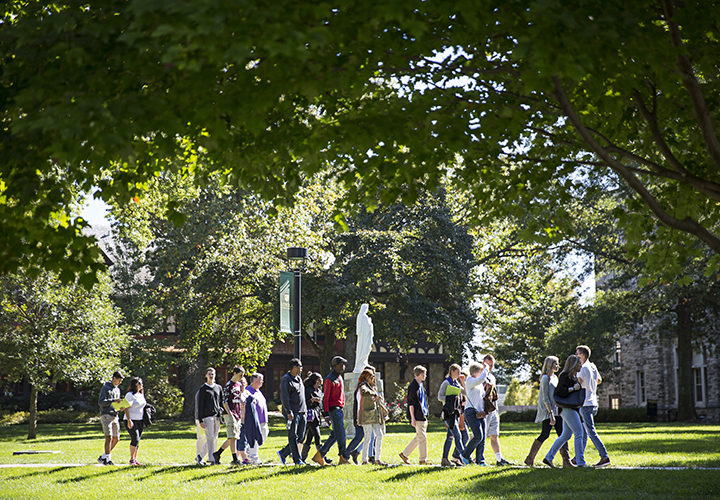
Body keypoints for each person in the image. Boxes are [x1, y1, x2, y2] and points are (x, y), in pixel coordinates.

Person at [524, 356, 571, 467]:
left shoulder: (555, 377)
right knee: (545, 434)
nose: (558, 366)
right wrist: (550, 414)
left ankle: (566, 460)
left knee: (562, 434)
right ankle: (530, 458)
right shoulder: (545, 378)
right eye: (555, 364)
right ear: (549, 365)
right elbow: (545, 397)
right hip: (548, 411)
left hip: (557, 411)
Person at [542, 354, 586, 468]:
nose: (581, 365)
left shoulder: (573, 377)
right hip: (567, 408)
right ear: (573, 364)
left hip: (572, 409)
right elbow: (559, 392)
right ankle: (581, 462)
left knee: (565, 436)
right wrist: (572, 389)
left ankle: (548, 457)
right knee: (579, 433)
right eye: (579, 363)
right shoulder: (565, 376)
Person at [576, 345, 612, 468]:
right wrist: (591, 386)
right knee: (585, 432)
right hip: (593, 403)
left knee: (590, 432)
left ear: (582, 355)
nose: (576, 356)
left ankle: (604, 456)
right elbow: (599, 380)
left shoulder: (582, 368)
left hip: (585, 404)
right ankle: (577, 457)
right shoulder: (592, 366)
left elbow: (578, 384)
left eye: (577, 354)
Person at [315, 356, 350, 465]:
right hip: (333, 410)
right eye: (341, 364)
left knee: (336, 434)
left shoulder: (339, 378)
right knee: (342, 434)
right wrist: (326, 414)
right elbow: (326, 398)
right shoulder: (329, 379)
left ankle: (320, 455)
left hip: (339, 409)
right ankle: (343, 457)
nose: (343, 366)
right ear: (335, 365)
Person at [214, 366, 248, 465]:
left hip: (237, 413)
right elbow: (224, 401)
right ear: (234, 373)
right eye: (240, 375)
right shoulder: (229, 385)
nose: (241, 377)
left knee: (234, 436)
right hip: (230, 413)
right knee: (233, 436)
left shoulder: (238, 384)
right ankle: (235, 459)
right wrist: (229, 413)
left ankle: (218, 453)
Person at [398, 365, 432, 465]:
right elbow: (411, 404)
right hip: (417, 416)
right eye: (424, 374)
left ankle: (404, 454)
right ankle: (423, 459)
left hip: (423, 415)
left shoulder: (420, 385)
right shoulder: (413, 386)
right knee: (423, 438)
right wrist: (413, 418)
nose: (425, 376)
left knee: (419, 437)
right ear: (421, 374)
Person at [482, 354, 512, 466]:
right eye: (487, 364)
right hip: (484, 410)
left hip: (493, 410)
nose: (489, 367)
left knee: (494, 435)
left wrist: (497, 412)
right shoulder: (480, 377)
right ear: (483, 364)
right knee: (479, 436)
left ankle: (499, 459)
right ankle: (468, 456)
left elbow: (494, 395)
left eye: (491, 365)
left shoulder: (493, 377)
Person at [278, 358, 308, 465]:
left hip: (302, 411)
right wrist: (288, 411)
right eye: (300, 366)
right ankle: (297, 459)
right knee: (293, 436)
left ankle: (283, 453)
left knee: (301, 436)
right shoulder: (286, 379)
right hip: (292, 412)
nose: (302, 368)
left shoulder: (299, 379)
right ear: (294, 367)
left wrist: (305, 410)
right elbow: (284, 397)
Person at [460, 360, 490, 466]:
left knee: (482, 438)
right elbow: (482, 377)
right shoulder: (470, 381)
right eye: (480, 371)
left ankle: (480, 461)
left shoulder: (479, 384)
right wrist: (486, 367)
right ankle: (464, 455)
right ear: (476, 372)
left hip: (480, 412)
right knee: (478, 436)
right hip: (471, 412)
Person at [357, 368, 387, 465]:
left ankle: (377, 459)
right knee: (368, 437)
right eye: (370, 376)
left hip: (374, 415)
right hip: (366, 415)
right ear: (365, 377)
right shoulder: (363, 385)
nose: (372, 377)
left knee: (379, 435)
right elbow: (364, 392)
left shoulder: (372, 386)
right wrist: (374, 394)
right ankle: (364, 460)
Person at [438, 363, 465, 467]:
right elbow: (440, 397)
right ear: (452, 371)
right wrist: (451, 400)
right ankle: (464, 457)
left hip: (456, 413)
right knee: (457, 435)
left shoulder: (457, 384)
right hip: (448, 414)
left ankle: (444, 459)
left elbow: (465, 393)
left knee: (450, 437)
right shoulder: (446, 383)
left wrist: (463, 383)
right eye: (458, 371)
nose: (459, 374)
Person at [195, 367, 223, 465]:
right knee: (210, 437)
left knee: (214, 437)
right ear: (206, 375)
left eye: (213, 373)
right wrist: (200, 419)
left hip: (216, 416)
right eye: (209, 374)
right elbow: (200, 405)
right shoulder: (203, 389)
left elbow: (221, 402)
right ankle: (211, 459)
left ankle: (200, 456)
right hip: (207, 416)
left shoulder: (218, 388)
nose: (211, 375)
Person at [98, 370, 125, 465]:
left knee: (116, 438)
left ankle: (103, 457)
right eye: (119, 380)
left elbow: (115, 403)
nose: (119, 383)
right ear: (114, 378)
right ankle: (108, 460)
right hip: (106, 414)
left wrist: (120, 407)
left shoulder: (117, 389)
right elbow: (101, 402)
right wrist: (113, 400)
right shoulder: (105, 388)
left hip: (115, 415)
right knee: (108, 437)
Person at [301, 372, 326, 463]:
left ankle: (303, 458)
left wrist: (325, 416)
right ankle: (322, 456)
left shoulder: (318, 390)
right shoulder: (309, 390)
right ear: (316, 380)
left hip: (316, 416)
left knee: (309, 438)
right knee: (317, 436)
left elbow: (321, 406)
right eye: (320, 379)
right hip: (311, 416)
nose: (322, 380)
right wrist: (312, 400)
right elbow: (305, 403)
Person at [245, 372, 269, 465]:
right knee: (255, 439)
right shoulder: (248, 391)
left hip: (263, 420)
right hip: (255, 420)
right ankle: (254, 457)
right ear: (254, 380)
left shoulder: (258, 391)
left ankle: (249, 450)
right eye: (260, 380)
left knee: (264, 435)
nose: (262, 382)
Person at [123, 377, 147, 466]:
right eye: (139, 383)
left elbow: (143, 405)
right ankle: (131, 459)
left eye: (142, 383)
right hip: (131, 419)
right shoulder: (130, 395)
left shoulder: (140, 394)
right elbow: (126, 408)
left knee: (138, 440)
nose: (141, 385)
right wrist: (129, 420)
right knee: (135, 438)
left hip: (140, 420)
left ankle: (135, 459)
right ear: (135, 384)